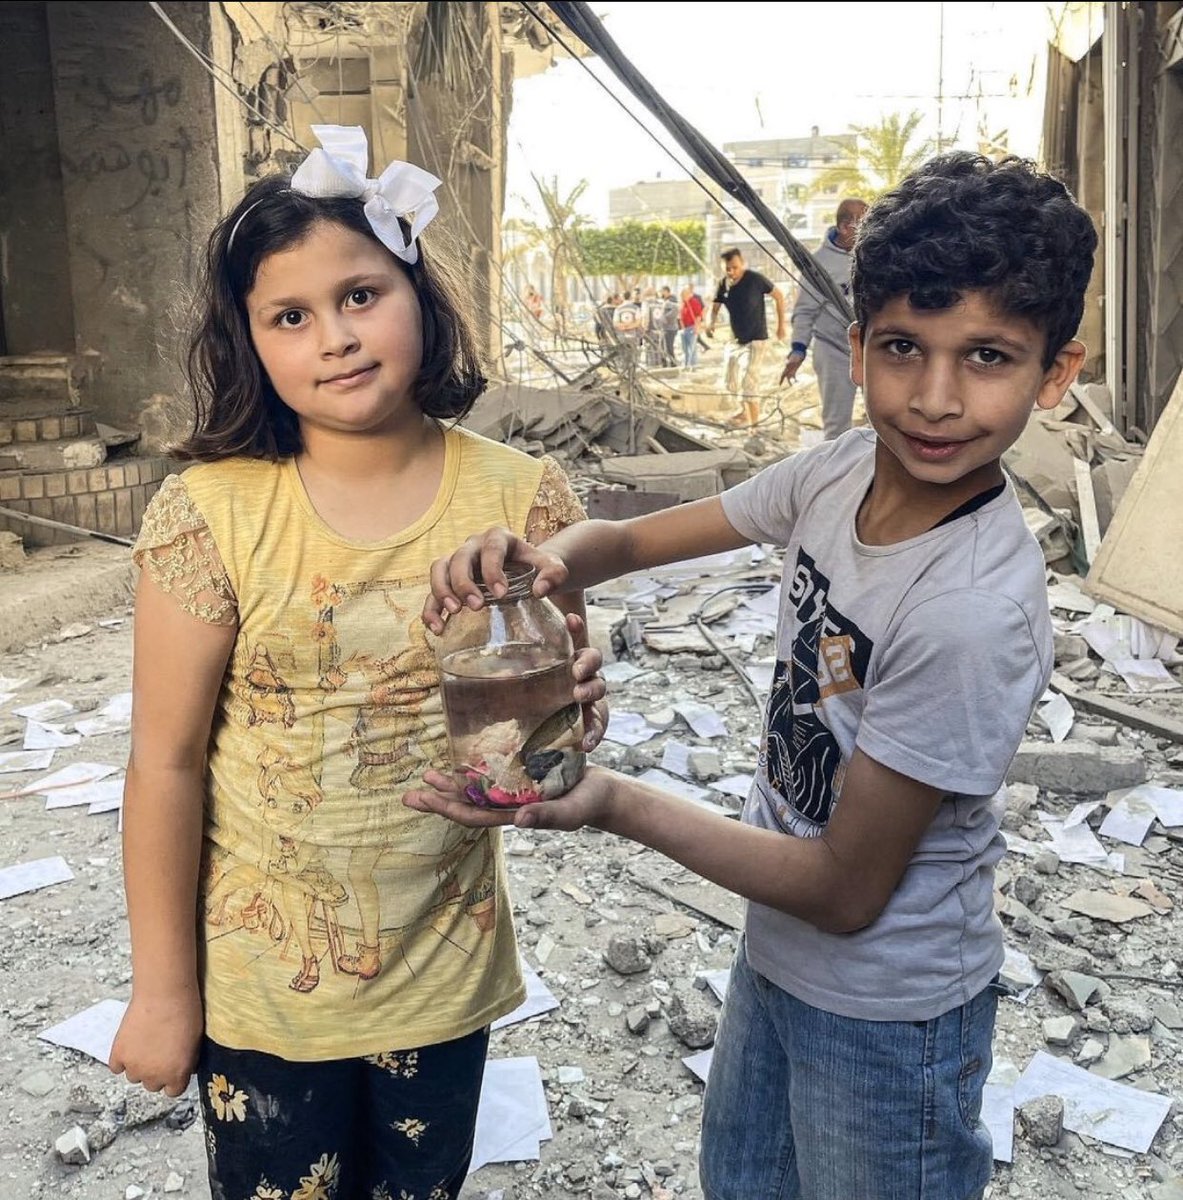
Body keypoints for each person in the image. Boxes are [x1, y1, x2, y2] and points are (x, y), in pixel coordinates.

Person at [414, 152, 1097, 1200]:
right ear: (855, 344)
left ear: (1055, 374)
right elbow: (634, 544)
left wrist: (612, 802)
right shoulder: (835, 472)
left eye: (990, 357)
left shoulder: (969, 611)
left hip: (889, 1012)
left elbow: (844, 890)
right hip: (777, 956)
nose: (936, 397)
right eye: (905, 348)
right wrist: (545, 563)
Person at [107, 125, 607, 1200]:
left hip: (444, 969)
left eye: (360, 295)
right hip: (263, 993)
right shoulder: (213, 513)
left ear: (420, 296)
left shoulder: (523, 499)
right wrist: (162, 993)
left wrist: (570, 722)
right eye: (291, 315)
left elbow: (545, 720)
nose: (333, 336)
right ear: (250, 342)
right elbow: (165, 763)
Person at [782, 197, 869, 440]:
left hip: (871, 349)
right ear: (844, 227)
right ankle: (837, 475)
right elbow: (805, 310)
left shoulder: (875, 256)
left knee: (884, 420)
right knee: (837, 424)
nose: (871, 228)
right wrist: (798, 350)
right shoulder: (819, 264)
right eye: (864, 223)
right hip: (833, 351)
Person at [707, 248, 787, 427]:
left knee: (748, 383)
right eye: (727, 268)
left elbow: (779, 296)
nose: (731, 272)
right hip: (736, 340)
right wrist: (710, 323)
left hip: (756, 339)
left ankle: (754, 425)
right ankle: (744, 411)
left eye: (734, 267)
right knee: (730, 383)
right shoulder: (724, 284)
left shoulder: (754, 279)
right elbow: (714, 306)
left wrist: (782, 325)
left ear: (741, 263)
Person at [679, 284, 704, 368]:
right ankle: (686, 364)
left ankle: (692, 365)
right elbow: (681, 316)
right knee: (685, 349)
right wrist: (682, 327)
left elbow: (698, 316)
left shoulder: (694, 302)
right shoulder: (683, 303)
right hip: (684, 328)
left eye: (683, 294)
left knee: (692, 348)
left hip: (692, 327)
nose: (682, 296)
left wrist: (696, 327)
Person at [657, 285, 680, 365]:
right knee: (662, 346)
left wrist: (665, 318)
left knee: (669, 347)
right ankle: (665, 363)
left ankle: (673, 363)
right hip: (664, 328)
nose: (661, 293)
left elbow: (675, 310)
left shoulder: (672, 300)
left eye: (662, 291)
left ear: (666, 291)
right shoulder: (664, 300)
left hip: (670, 328)